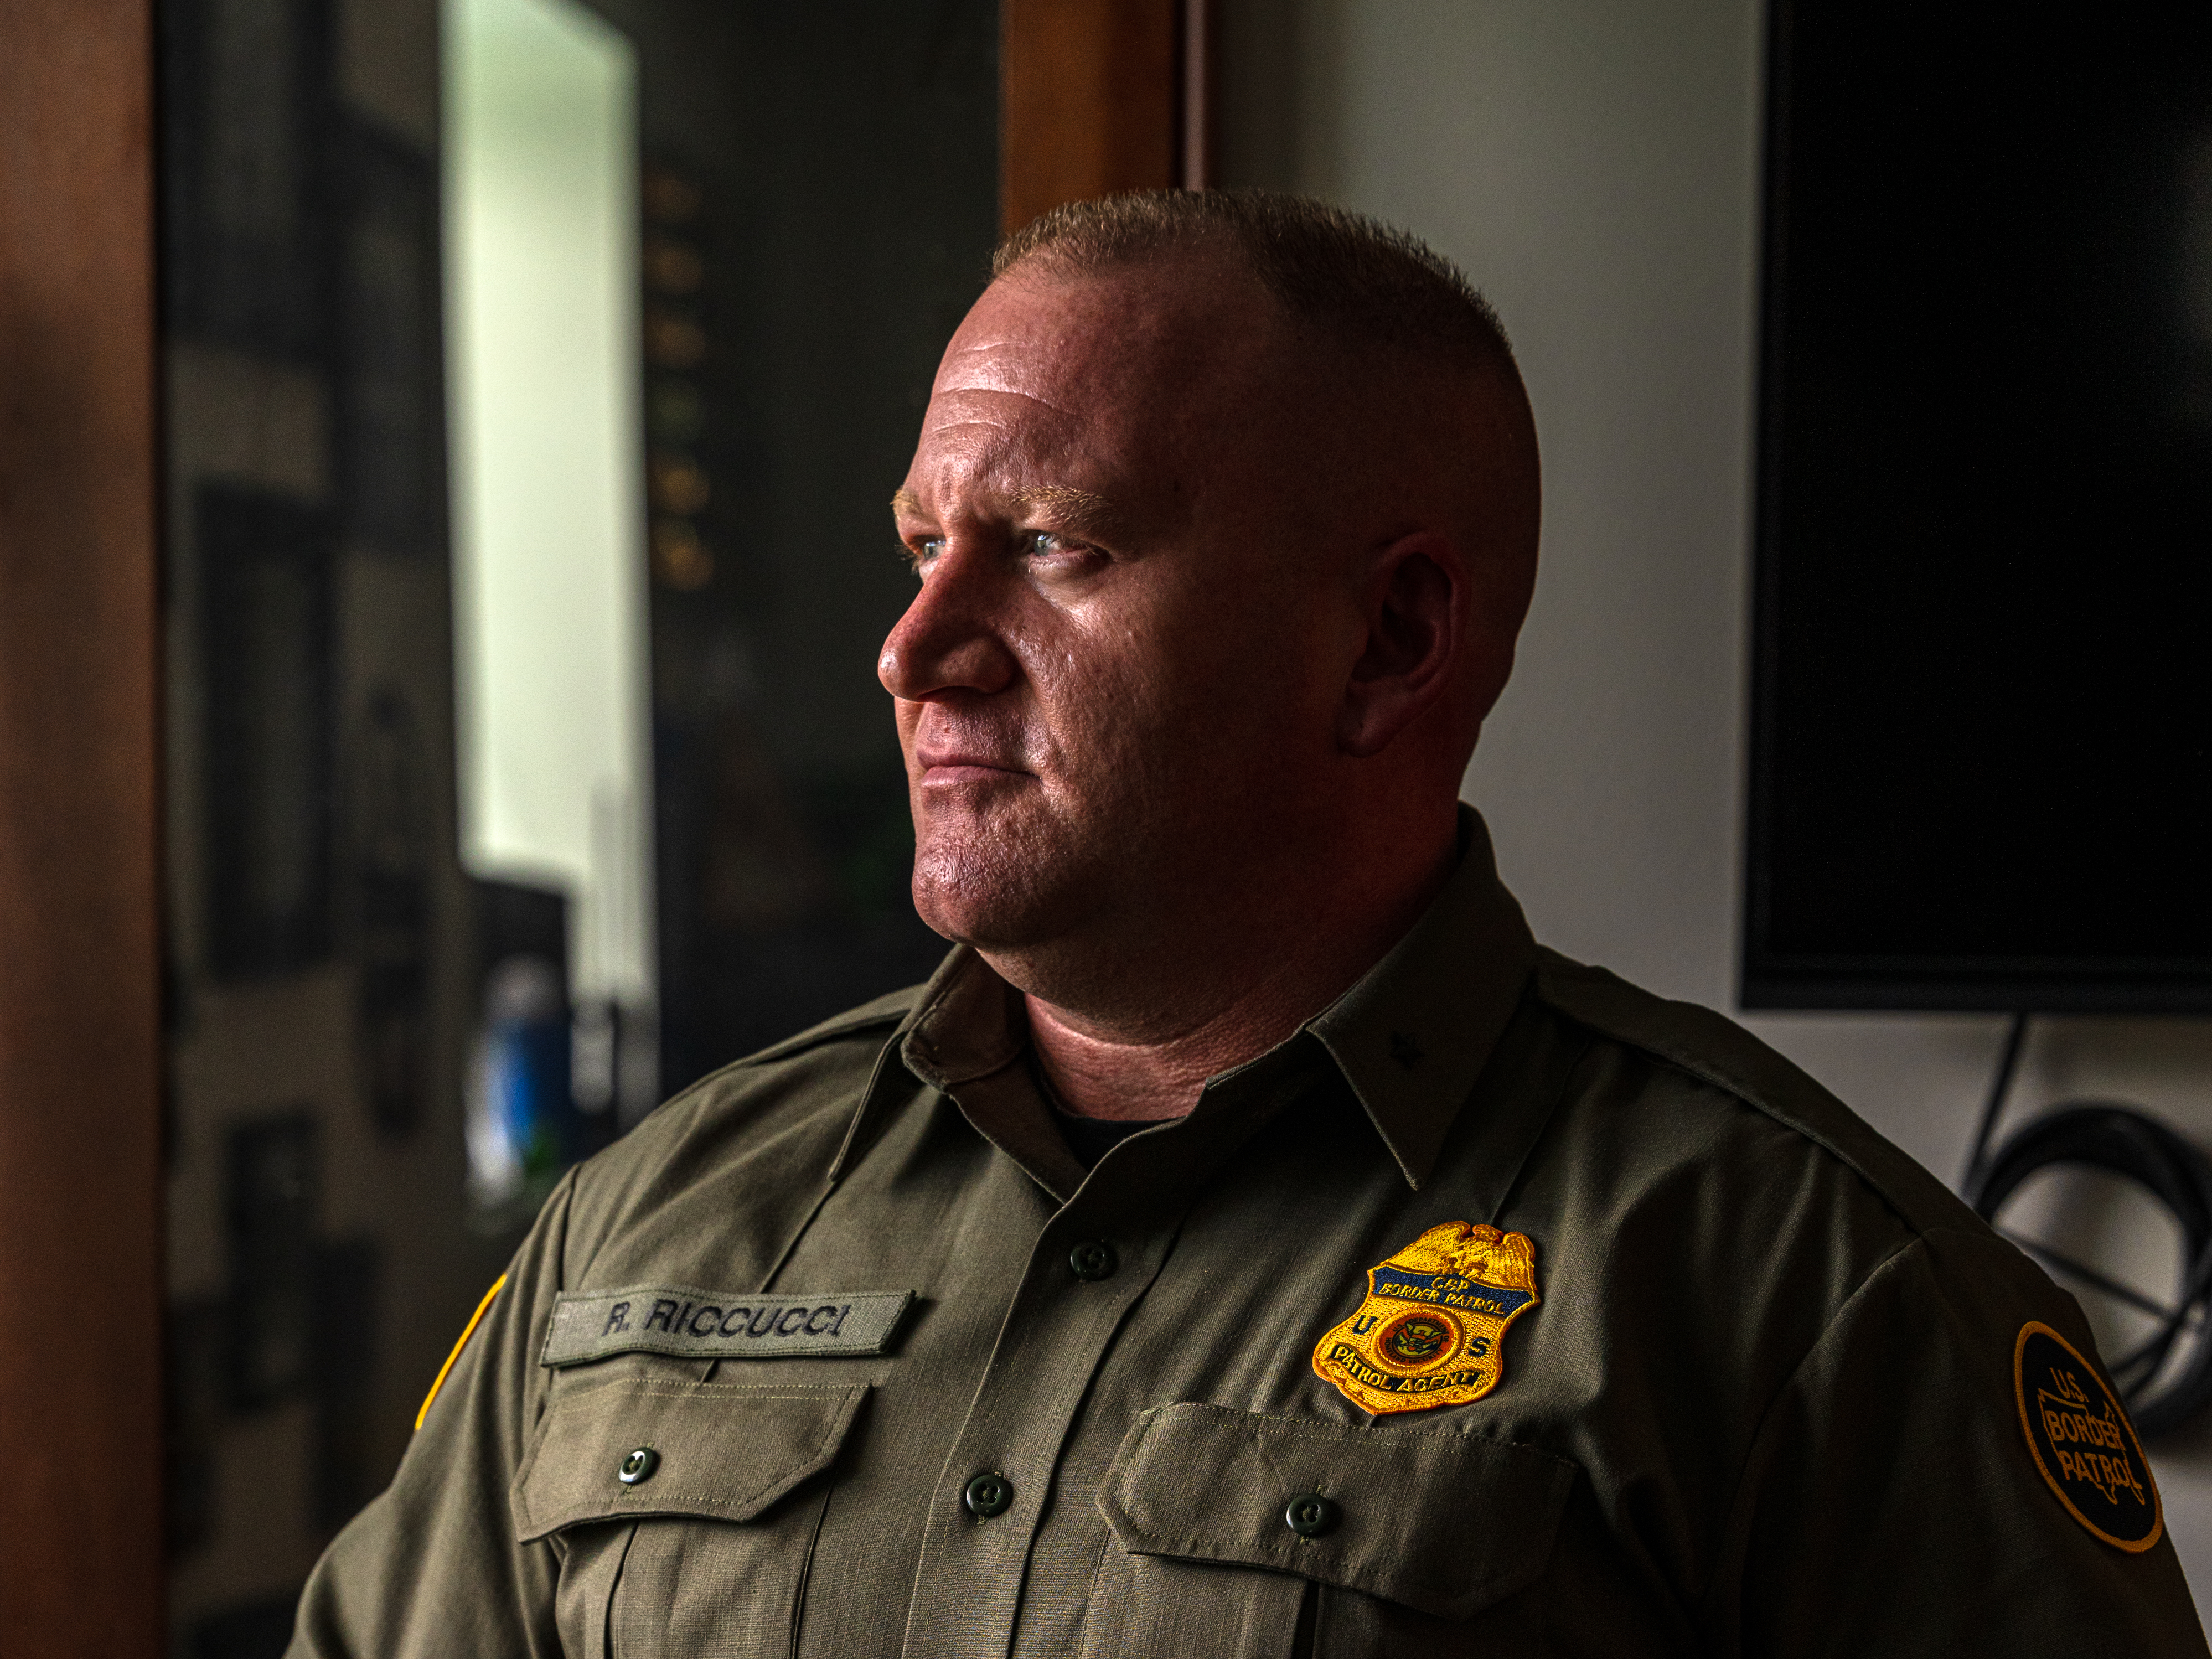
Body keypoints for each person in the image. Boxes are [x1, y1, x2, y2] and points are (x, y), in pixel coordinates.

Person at [290, 191, 2208, 1657]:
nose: (915, 650)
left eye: (1053, 545)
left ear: (1388, 639)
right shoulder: (652, 1222)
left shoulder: (1797, 1290)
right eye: (923, 546)